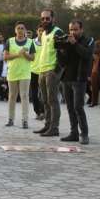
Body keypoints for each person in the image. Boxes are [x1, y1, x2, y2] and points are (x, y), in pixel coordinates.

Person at [56, 20, 94, 145]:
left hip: (79, 79)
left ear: (81, 29)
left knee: (78, 107)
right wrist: (60, 50)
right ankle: (74, 133)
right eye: (71, 29)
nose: (73, 32)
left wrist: (75, 43)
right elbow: (62, 62)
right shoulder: (68, 41)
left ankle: (84, 134)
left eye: (75, 29)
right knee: (70, 107)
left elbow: (87, 55)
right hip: (66, 78)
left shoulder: (89, 40)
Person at [33, 9, 65, 137]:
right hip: (42, 70)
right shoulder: (44, 33)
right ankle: (47, 125)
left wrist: (56, 70)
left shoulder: (57, 32)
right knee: (45, 100)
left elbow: (64, 53)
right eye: (43, 18)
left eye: (47, 18)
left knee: (52, 100)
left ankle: (54, 128)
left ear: (53, 19)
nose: (45, 20)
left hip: (51, 71)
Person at [4, 21, 35, 129]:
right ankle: (10, 119)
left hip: (25, 73)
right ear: (15, 30)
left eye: (22, 28)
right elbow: (5, 57)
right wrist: (18, 54)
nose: (20, 30)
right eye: (18, 28)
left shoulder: (30, 42)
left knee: (24, 96)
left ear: (25, 30)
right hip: (12, 72)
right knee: (12, 96)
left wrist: (25, 54)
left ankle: (25, 120)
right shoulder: (10, 41)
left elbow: (32, 58)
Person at [31, 25, 45, 120]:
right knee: (34, 94)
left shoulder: (47, 42)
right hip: (33, 71)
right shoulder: (32, 42)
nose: (41, 32)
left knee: (44, 94)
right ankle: (37, 112)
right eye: (39, 30)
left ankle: (44, 112)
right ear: (37, 31)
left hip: (44, 71)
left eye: (43, 31)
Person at [89, 40, 100, 107]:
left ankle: (94, 101)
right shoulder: (95, 54)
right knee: (94, 87)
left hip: (97, 71)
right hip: (94, 71)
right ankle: (94, 101)